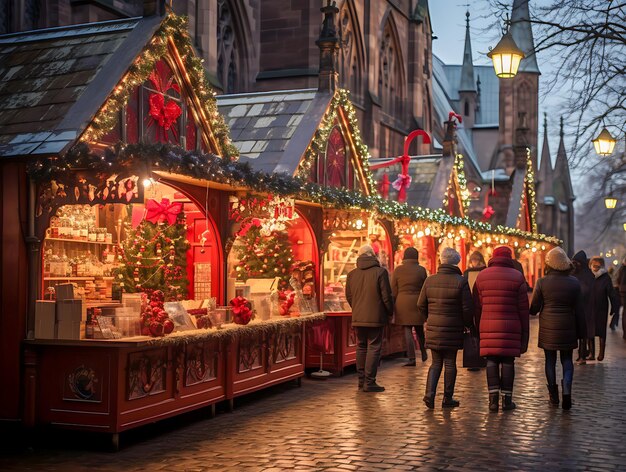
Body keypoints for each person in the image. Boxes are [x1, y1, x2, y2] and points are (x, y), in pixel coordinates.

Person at [473, 246, 529, 412]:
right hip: (511, 325)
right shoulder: (518, 277)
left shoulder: (481, 276)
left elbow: (477, 306)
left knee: (491, 360)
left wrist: (477, 328)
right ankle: (507, 400)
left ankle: (493, 401)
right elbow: (523, 309)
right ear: (509, 258)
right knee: (508, 361)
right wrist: (525, 335)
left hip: (487, 324)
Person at [418, 247, 474, 409]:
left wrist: (429, 318)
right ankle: (447, 398)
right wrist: (466, 324)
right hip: (453, 328)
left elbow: (420, 304)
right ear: (456, 262)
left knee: (435, 363)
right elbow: (467, 308)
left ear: (441, 260)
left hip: (434, 328)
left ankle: (429, 395)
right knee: (450, 363)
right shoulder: (461, 281)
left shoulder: (430, 280)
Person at [529, 247, 584, 410]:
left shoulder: (542, 282)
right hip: (568, 325)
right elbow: (579, 309)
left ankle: (553, 396)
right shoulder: (574, 282)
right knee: (567, 360)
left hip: (548, 327)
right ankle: (567, 394)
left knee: (550, 361)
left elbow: (534, 308)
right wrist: (582, 333)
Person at [345, 244, 394, 392]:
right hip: (376, 316)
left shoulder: (352, 274)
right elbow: (386, 296)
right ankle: (370, 381)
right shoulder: (380, 272)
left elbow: (349, 296)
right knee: (374, 347)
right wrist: (390, 311)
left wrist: (357, 308)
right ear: (373, 255)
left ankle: (361, 381)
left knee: (361, 346)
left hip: (358, 316)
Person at [391, 247, 428, 366]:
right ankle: (423, 352)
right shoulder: (421, 270)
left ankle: (411, 358)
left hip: (402, 302)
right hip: (417, 301)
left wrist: (393, 303)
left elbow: (393, 289)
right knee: (419, 329)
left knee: (407, 330)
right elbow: (425, 288)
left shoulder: (398, 270)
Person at [588, 256, 621, 361]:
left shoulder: (605, 277)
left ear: (601, 265)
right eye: (594, 264)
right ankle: (591, 353)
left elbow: (611, 293)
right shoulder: (588, 276)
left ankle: (601, 353)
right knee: (590, 331)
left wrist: (614, 308)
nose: (595, 267)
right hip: (589, 306)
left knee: (601, 331)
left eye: (597, 264)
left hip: (602, 307)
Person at [571, 251, 595, 364]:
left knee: (583, 333)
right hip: (576, 307)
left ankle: (582, 356)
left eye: (576, 262)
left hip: (586, 307)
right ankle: (581, 354)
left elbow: (588, 290)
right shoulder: (573, 274)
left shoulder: (588, 275)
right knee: (577, 332)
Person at [616, 257, 626, 340]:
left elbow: (618, 279)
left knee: (625, 312)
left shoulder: (621, 268)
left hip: (622, 291)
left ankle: (625, 333)